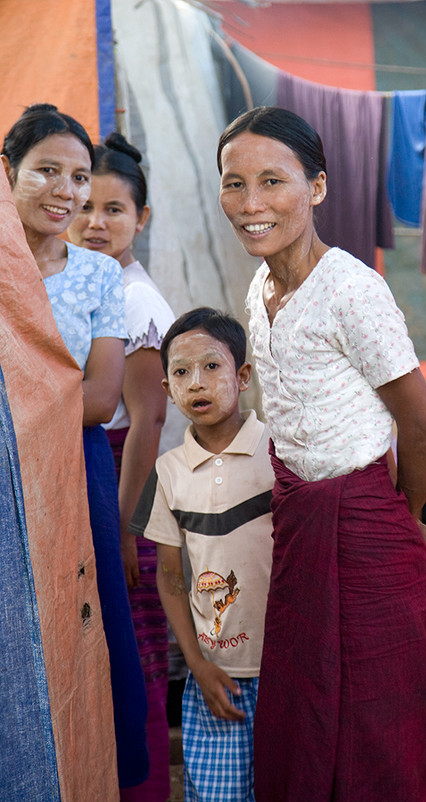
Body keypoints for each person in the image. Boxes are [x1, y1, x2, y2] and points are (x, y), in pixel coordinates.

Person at [216, 106, 426, 802]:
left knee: (377, 715)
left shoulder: (352, 290)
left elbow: (421, 427)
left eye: (272, 181)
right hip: (299, 521)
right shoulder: (259, 289)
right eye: (233, 184)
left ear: (317, 188)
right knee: (303, 704)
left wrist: (399, 515)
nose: (251, 203)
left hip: (362, 526)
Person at [1, 104, 149, 790]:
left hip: (73, 473)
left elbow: (99, 399)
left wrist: (17, 411)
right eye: (47, 172)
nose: (66, 191)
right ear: (8, 173)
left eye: (79, 176)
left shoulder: (97, 275)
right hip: (6, 477)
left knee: (82, 628)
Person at [68, 132, 176, 802]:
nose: (96, 221)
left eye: (115, 209)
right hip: (98, 480)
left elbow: (148, 421)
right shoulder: (90, 283)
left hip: (122, 481)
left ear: (142, 218)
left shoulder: (133, 300)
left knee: (133, 657)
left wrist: (125, 524)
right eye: (86, 205)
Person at [129, 307, 275, 802]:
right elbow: (170, 577)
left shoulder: (280, 454)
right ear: (167, 390)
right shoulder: (169, 473)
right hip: (217, 675)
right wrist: (197, 663)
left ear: (244, 376)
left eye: (212, 366)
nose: (198, 382)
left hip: (289, 666)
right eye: (182, 372)